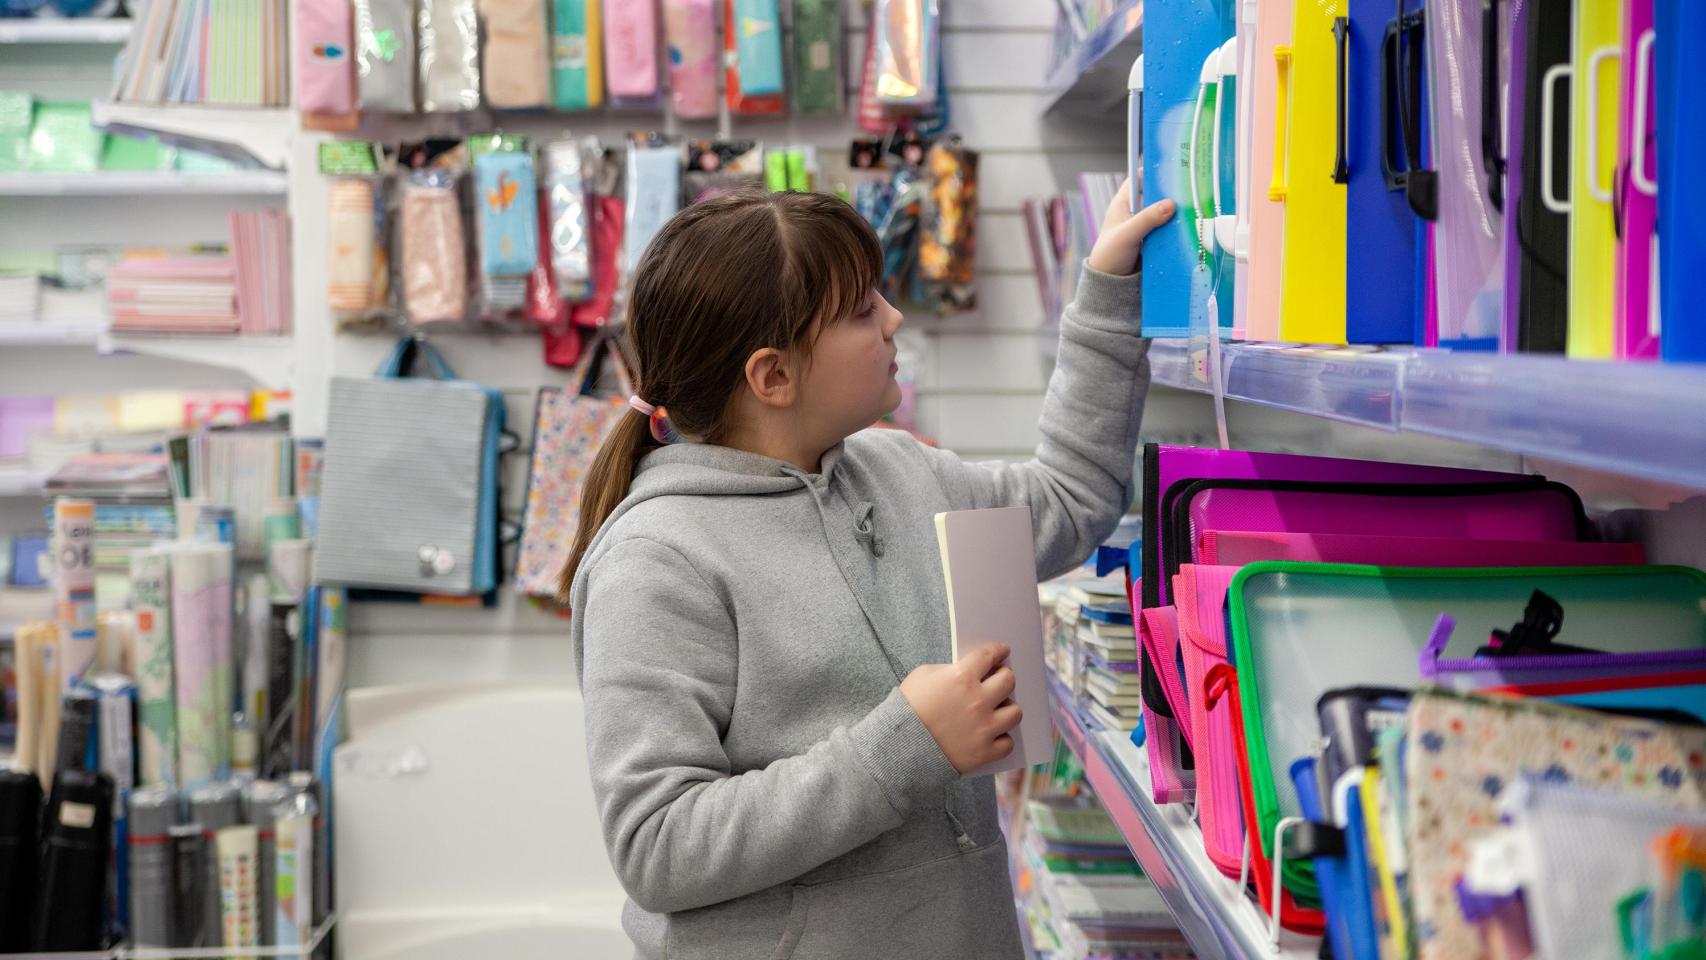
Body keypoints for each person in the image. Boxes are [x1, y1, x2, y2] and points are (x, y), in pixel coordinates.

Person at [563, 182, 1173, 960]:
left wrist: (1109, 284)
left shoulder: (898, 471)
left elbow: (1071, 499)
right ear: (772, 378)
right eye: (861, 311)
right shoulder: (656, 561)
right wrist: (909, 745)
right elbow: (659, 847)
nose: (894, 318)